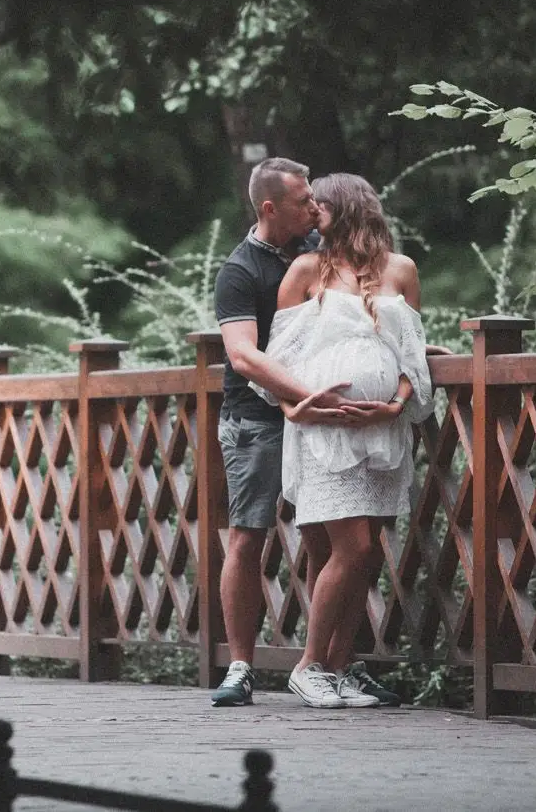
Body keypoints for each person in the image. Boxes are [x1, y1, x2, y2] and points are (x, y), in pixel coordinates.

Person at [260, 172, 435, 708]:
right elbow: (279, 359)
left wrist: (394, 405)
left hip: (382, 432)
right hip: (325, 433)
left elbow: (412, 357)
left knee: (366, 555)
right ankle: (309, 665)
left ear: (349, 208)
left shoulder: (401, 270)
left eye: (321, 205)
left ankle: (338, 668)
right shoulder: (305, 269)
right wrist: (299, 406)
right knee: (352, 547)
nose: (312, 212)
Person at [209, 157, 377, 708]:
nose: (314, 206)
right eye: (303, 201)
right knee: (248, 535)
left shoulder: (317, 253)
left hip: (318, 421)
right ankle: (240, 667)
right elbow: (243, 356)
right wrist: (306, 395)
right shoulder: (240, 271)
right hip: (256, 421)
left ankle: (331, 666)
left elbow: (354, 319)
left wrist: (408, 352)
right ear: (269, 207)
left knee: (334, 543)